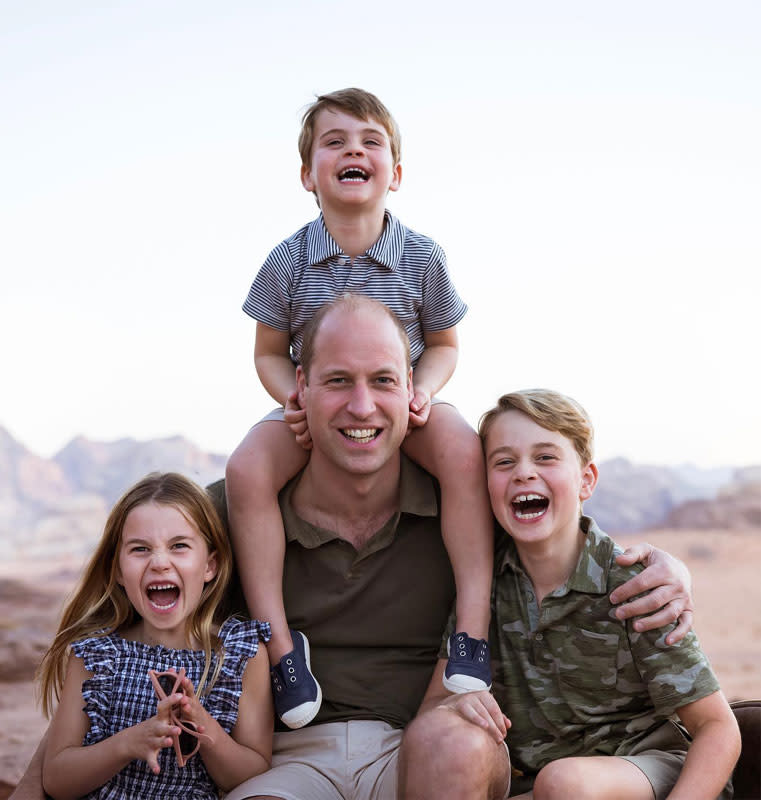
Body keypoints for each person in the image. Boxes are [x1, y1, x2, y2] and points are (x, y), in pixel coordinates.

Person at [11, 297, 697, 800]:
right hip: (287, 762)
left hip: (425, 751)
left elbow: (558, 532)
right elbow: (117, 631)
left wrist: (673, 568)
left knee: (454, 740)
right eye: (337, 381)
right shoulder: (234, 517)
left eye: (382, 381)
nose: (361, 406)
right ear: (298, 391)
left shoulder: (465, 511)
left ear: (414, 395)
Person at [225, 87, 495, 728]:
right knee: (246, 470)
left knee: (462, 449)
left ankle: (473, 631)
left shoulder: (420, 255)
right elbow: (266, 351)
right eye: (336, 142)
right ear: (307, 174)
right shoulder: (289, 259)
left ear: (395, 174)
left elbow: (444, 342)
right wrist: (289, 396)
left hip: (401, 404)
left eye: (371, 141)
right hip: (317, 407)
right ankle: (281, 648)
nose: (354, 150)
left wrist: (422, 389)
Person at [404, 389, 740, 800]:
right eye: (504, 461)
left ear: (586, 480)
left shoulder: (634, 586)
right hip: (542, 786)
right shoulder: (483, 584)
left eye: (545, 457)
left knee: (566, 783)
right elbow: (432, 713)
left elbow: (718, 728)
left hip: (649, 771)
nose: (524, 472)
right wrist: (456, 706)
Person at [34, 472, 273, 800]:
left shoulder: (239, 655)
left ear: (210, 566)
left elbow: (251, 774)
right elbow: (57, 780)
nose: (160, 562)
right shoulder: (97, 654)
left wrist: (202, 725)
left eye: (179, 546)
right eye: (140, 549)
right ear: (118, 570)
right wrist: (128, 743)